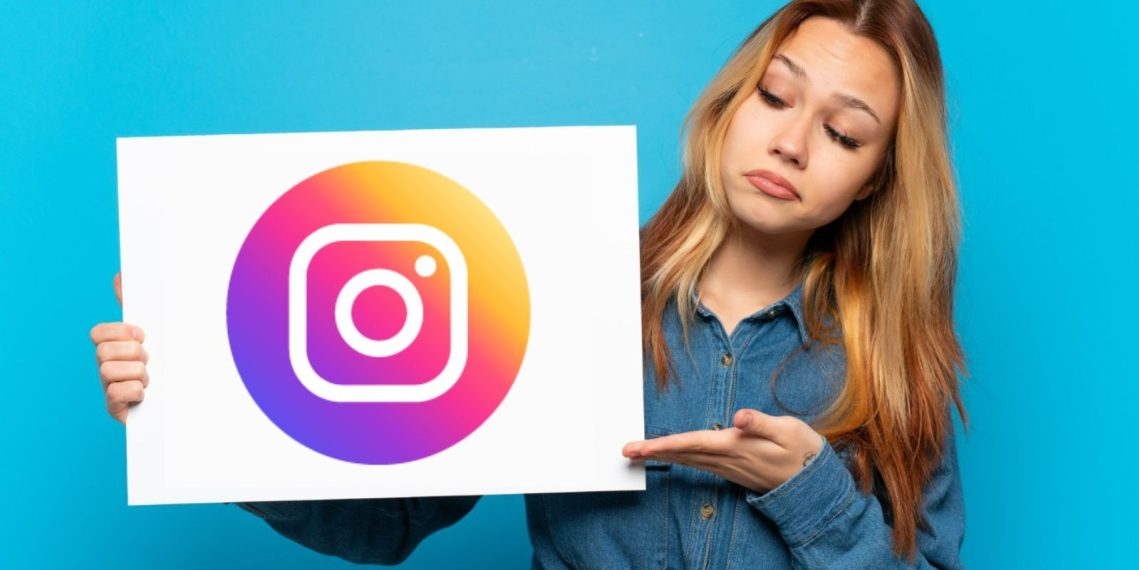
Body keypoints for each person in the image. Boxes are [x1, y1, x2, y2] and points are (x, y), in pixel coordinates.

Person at [90, 0, 969, 567]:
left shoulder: (889, 364)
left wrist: (808, 491)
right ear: (732, 104)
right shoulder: (559, 287)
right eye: (776, 98)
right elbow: (390, 520)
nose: (791, 143)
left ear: (876, 180)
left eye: (845, 134)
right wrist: (203, 413)